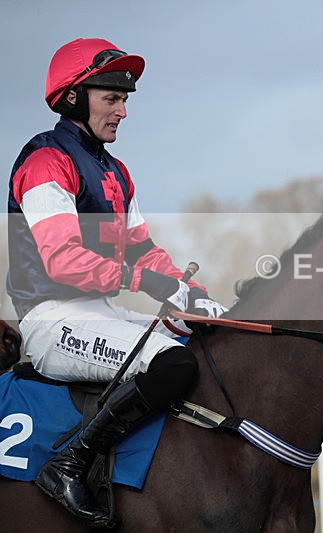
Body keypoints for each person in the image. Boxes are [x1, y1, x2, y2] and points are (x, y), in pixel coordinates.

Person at [6, 38, 227, 527]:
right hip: (52, 319)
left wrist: (191, 293)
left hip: (100, 313)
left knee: (207, 339)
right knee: (173, 365)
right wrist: (148, 282)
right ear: (73, 98)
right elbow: (63, 260)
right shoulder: (46, 160)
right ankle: (68, 465)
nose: (123, 110)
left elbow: (143, 249)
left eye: (125, 99)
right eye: (112, 98)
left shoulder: (116, 173)